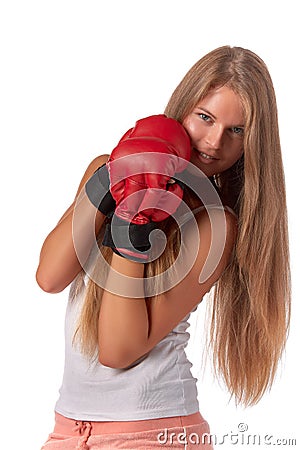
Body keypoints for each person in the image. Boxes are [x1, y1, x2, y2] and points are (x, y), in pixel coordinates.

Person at [37, 46, 291, 449]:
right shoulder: (106, 168)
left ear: (251, 143)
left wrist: (136, 219)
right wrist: (112, 183)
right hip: (70, 430)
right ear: (182, 109)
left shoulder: (215, 224)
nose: (214, 141)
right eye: (204, 118)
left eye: (236, 131)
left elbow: (117, 350)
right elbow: (50, 277)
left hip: (155, 431)